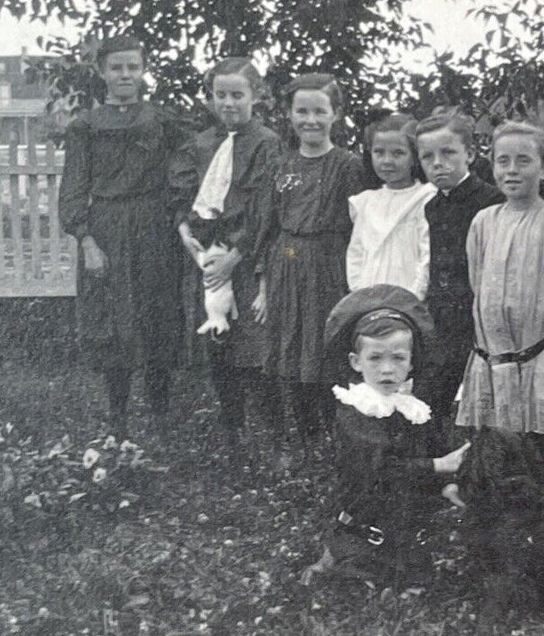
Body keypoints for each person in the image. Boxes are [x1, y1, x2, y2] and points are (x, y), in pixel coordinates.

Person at [57, 34, 191, 439]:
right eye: (117, 67)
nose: (125, 75)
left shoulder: (162, 120)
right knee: (114, 321)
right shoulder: (86, 125)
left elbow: (189, 165)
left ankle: (161, 415)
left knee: (157, 315)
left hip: (154, 226)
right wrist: (86, 239)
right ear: (101, 72)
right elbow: (74, 187)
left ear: (144, 69)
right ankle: (117, 418)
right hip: (107, 230)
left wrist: (180, 213)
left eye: (133, 66)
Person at [302, 284, 468, 588]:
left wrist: (447, 484)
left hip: (404, 522)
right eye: (375, 359)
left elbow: (432, 447)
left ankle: (391, 559)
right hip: (366, 520)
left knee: (427, 576)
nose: (387, 370)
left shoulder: (411, 408)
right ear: (356, 362)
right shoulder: (357, 411)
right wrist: (437, 466)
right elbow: (380, 469)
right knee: (359, 577)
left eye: (398, 359)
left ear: (411, 363)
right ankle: (337, 556)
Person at [171, 56, 283, 450]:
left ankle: (272, 433)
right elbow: (183, 197)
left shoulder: (266, 144)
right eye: (221, 95)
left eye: (238, 95)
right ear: (210, 99)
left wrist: (238, 255)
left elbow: (266, 206)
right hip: (207, 255)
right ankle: (232, 430)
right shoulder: (201, 145)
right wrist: (186, 231)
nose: (229, 103)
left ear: (256, 96)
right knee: (219, 340)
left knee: (254, 344)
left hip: (249, 257)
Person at [455, 121, 544, 470]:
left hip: (537, 354)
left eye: (523, 161)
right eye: (502, 161)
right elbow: (478, 283)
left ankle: (536, 516)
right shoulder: (483, 221)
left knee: (531, 449)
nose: (511, 170)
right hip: (490, 357)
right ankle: (491, 510)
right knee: (490, 447)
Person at [260, 72, 367, 446]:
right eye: (301, 111)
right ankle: (306, 434)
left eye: (319, 111)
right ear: (289, 114)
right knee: (292, 342)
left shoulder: (347, 165)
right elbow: (269, 223)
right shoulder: (281, 165)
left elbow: (359, 225)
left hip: (329, 263)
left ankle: (336, 433)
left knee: (326, 343)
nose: (310, 120)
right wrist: (264, 281)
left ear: (335, 114)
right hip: (287, 263)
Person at [415, 108, 502, 420]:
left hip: (478, 314)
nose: (437, 163)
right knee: (431, 393)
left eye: (448, 152)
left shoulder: (491, 201)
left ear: (470, 153)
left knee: (484, 398)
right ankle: (434, 459)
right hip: (443, 314)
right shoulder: (432, 206)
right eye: (427, 157)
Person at [346, 114, 431, 298]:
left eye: (398, 153)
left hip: (409, 295)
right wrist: (359, 291)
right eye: (379, 152)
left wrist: (414, 297)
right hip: (369, 295)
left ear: (414, 157)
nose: (387, 161)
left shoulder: (425, 198)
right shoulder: (366, 202)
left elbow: (426, 255)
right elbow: (356, 253)